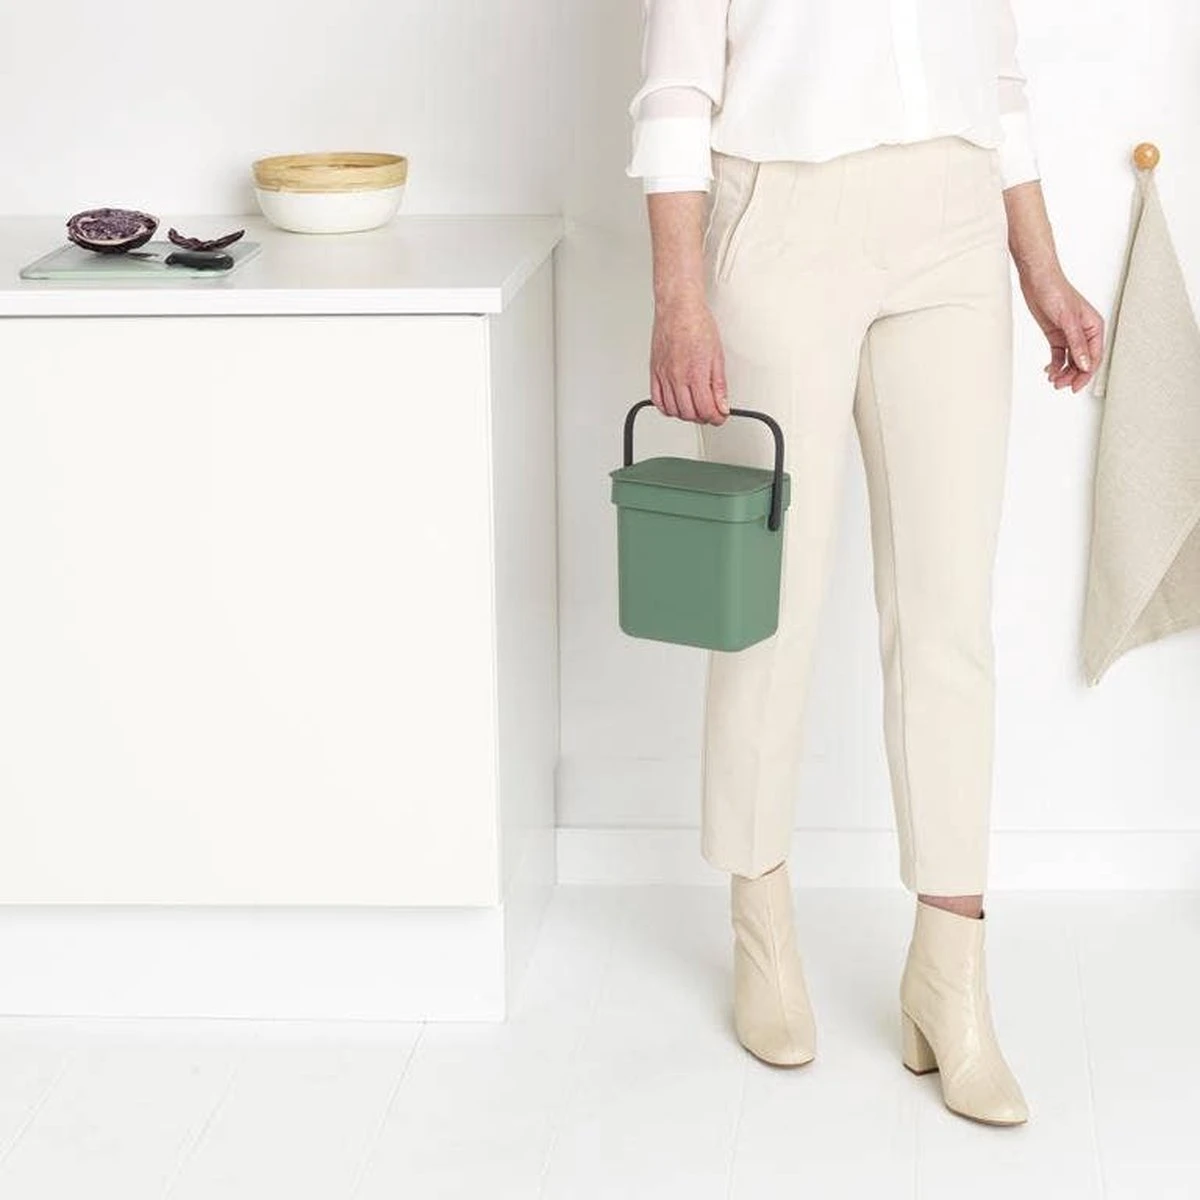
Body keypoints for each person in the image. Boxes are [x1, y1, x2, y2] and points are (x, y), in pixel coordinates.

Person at [628, 0, 1104, 1127]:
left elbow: (999, 84)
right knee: (768, 607)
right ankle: (760, 925)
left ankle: (951, 972)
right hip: (783, 218)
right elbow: (676, 92)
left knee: (949, 617)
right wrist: (678, 298)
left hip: (955, 225)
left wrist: (1042, 269)